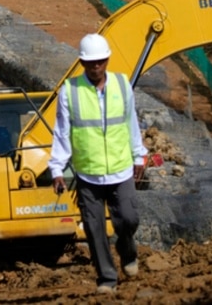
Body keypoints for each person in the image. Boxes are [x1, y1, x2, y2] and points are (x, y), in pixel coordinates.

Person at [49, 33, 147, 294]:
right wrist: (57, 168)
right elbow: (62, 131)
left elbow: (131, 122)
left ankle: (127, 249)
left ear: (107, 60)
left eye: (100, 61)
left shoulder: (122, 85)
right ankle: (107, 278)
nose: (96, 67)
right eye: (90, 62)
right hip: (88, 174)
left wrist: (139, 155)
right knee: (94, 229)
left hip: (121, 169)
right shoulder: (69, 91)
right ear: (82, 63)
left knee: (128, 219)